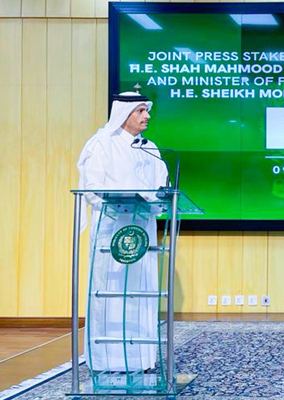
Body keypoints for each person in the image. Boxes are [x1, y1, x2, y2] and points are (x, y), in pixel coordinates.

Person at [77, 91, 168, 372]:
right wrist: (123, 207)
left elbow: (160, 188)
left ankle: (142, 359)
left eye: (146, 111)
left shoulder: (149, 148)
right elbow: (92, 189)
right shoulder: (101, 144)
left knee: (141, 290)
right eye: (141, 111)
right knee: (111, 292)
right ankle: (107, 360)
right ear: (123, 114)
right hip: (111, 231)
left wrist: (154, 203)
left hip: (142, 230)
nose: (147, 116)